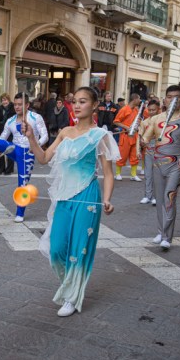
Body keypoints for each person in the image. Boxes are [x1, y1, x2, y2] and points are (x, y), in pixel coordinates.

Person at [22, 86, 119, 317]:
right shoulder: (65, 132)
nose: (77, 105)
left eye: (83, 101)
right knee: (56, 250)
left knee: (79, 249)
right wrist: (32, 138)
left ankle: (73, 297)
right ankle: (69, 286)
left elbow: (108, 173)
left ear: (94, 105)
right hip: (63, 197)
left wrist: (107, 200)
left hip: (87, 196)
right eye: (74, 101)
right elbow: (44, 158)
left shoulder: (100, 136)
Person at [140, 85, 180, 250]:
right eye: (169, 97)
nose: (173, 100)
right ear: (164, 99)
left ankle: (167, 236)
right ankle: (161, 231)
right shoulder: (156, 119)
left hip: (175, 164)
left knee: (169, 199)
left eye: (177, 97)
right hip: (157, 164)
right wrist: (143, 141)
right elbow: (146, 137)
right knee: (159, 200)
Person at [0, 92, 48, 222]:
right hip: (14, 148)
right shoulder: (10, 120)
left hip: (28, 153)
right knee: (1, 143)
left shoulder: (36, 118)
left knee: (23, 183)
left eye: (20, 104)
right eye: (15, 104)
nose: (17, 107)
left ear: (27, 105)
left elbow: (45, 136)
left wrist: (36, 146)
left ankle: (20, 213)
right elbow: (2, 137)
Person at [113, 93, 143, 181]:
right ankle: (118, 174)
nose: (140, 100)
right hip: (125, 136)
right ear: (134, 99)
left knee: (135, 156)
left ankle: (133, 175)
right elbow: (116, 121)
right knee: (122, 155)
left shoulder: (136, 110)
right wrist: (126, 127)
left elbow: (139, 121)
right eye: (139, 99)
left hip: (135, 136)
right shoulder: (124, 109)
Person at [137, 100, 160, 205]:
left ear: (158, 109)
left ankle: (156, 196)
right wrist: (138, 150)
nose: (151, 112)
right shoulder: (144, 122)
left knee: (157, 175)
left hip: (160, 151)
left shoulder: (162, 121)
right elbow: (139, 137)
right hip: (148, 151)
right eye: (149, 110)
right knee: (148, 174)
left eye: (153, 110)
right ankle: (147, 196)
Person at [0, 93, 16, 175]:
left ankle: (9, 169)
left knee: (10, 149)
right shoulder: (0, 109)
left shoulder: (13, 107)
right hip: (2, 131)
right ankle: (1, 169)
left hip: (11, 132)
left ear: (9, 100)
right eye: (2, 100)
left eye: (5, 100)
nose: (4, 102)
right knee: (1, 149)